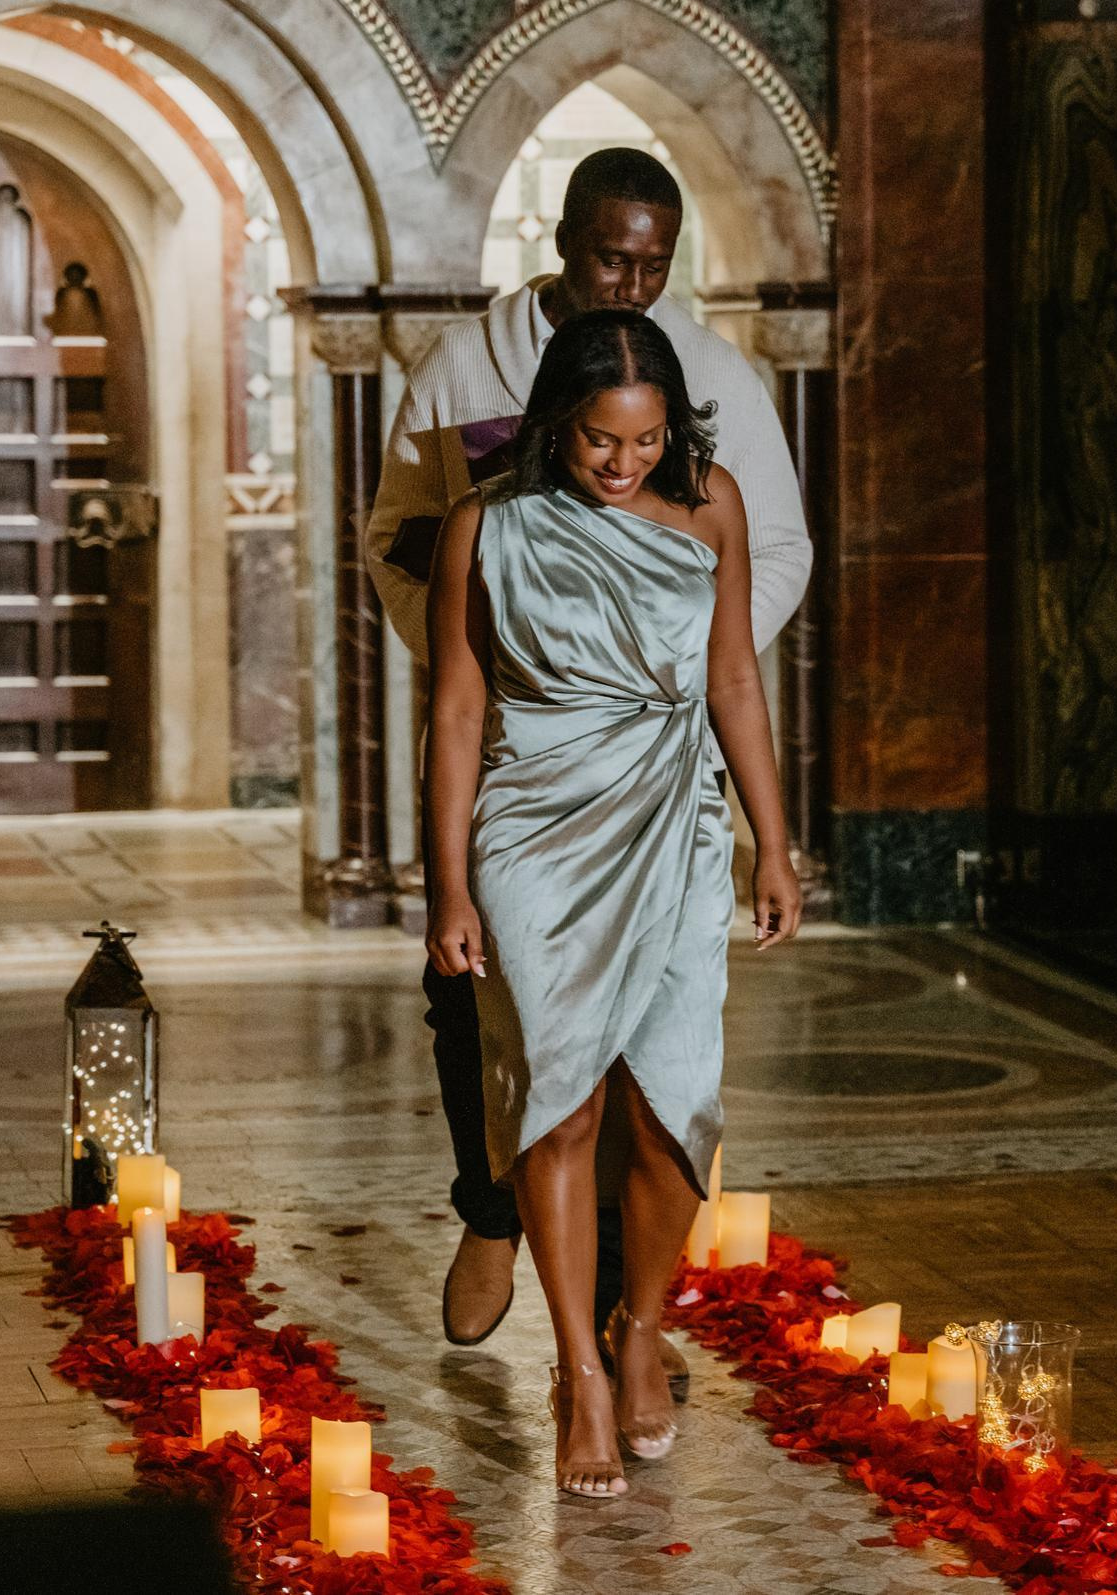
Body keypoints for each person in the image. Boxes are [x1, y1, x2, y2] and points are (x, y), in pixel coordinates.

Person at [366, 148, 812, 1369]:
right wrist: (522, 646)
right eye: (613, 256)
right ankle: (492, 1212)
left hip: (657, 753)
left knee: (651, 1068)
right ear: (562, 240)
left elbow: (763, 560)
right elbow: (396, 540)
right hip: (522, 737)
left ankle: (625, 1317)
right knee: (492, 1009)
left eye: (656, 262)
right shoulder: (464, 365)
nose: (633, 280)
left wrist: (647, 651)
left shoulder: (708, 376)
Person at [422, 308, 803, 1495]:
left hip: (679, 830)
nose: (621, 464)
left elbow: (734, 673)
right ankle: (578, 1374)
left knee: (674, 1106)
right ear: (554, 422)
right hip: (532, 834)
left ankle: (641, 1329)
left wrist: (773, 844)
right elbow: (454, 713)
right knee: (558, 1101)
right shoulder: (484, 526)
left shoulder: (712, 504)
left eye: (642, 442)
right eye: (597, 441)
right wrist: (445, 888)